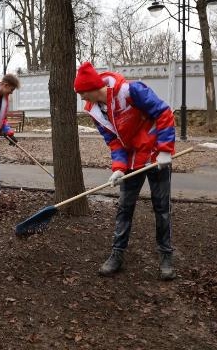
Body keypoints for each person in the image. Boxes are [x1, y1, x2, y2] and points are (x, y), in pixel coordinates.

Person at [74, 62, 176, 280]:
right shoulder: (95, 111)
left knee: (162, 207)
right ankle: (117, 255)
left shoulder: (131, 91)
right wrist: (118, 168)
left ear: (92, 87)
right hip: (131, 160)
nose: (82, 98)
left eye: (82, 93)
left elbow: (164, 113)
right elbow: (113, 140)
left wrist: (166, 150)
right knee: (124, 208)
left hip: (156, 154)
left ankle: (166, 257)